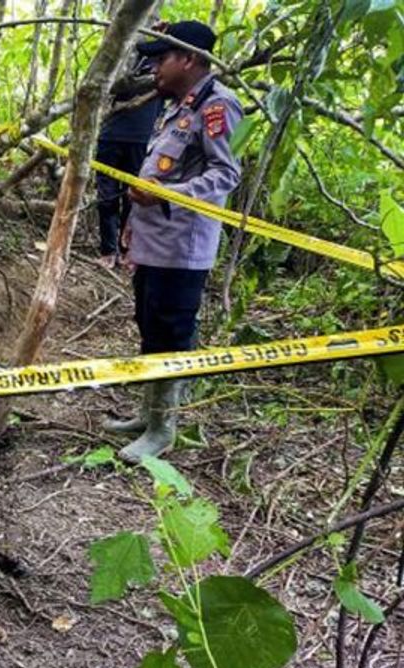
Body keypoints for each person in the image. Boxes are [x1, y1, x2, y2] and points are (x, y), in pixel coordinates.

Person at [104, 20, 244, 463]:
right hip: (154, 240)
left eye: (162, 58)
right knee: (150, 327)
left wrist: (166, 196)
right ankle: (149, 414)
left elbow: (226, 174)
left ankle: (164, 428)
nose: (154, 69)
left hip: (183, 248)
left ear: (189, 58)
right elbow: (160, 166)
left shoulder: (219, 106)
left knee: (171, 334)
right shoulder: (179, 106)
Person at [94, 48, 162, 269]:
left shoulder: (167, 70)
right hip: (111, 136)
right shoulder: (130, 57)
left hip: (141, 141)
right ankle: (108, 250)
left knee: (133, 198)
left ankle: (125, 250)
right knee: (107, 197)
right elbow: (109, 85)